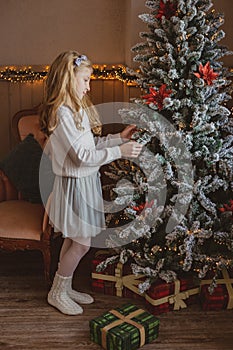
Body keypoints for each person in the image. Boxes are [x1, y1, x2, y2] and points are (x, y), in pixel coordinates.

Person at [39, 50, 143, 315]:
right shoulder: (62, 114)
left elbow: (91, 146)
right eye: (85, 80)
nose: (88, 86)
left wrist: (119, 138)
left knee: (74, 239)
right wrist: (120, 152)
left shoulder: (75, 110)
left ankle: (65, 284)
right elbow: (83, 157)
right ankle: (57, 292)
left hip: (85, 181)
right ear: (68, 79)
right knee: (82, 243)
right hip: (75, 185)